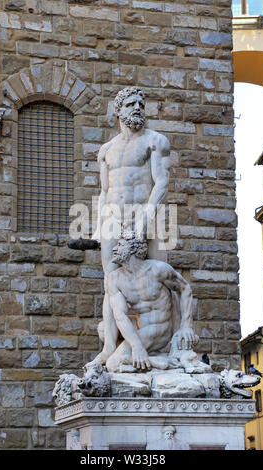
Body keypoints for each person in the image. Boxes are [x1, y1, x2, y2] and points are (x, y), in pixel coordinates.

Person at [90, 86, 172, 366]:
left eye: (141, 103)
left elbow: (161, 182)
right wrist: (98, 224)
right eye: (130, 104)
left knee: (160, 277)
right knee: (110, 281)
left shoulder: (155, 141)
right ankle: (110, 346)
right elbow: (104, 191)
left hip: (148, 215)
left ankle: (164, 344)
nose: (137, 107)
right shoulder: (105, 151)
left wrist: (144, 220)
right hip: (113, 219)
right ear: (119, 110)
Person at [104, 232, 199, 373]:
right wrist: (137, 346)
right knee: (113, 363)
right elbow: (120, 316)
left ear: (133, 249)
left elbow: (185, 289)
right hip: (141, 331)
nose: (114, 249)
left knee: (113, 363)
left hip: (160, 330)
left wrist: (186, 325)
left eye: (120, 245)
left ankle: (150, 361)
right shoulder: (114, 279)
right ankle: (160, 363)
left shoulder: (158, 269)